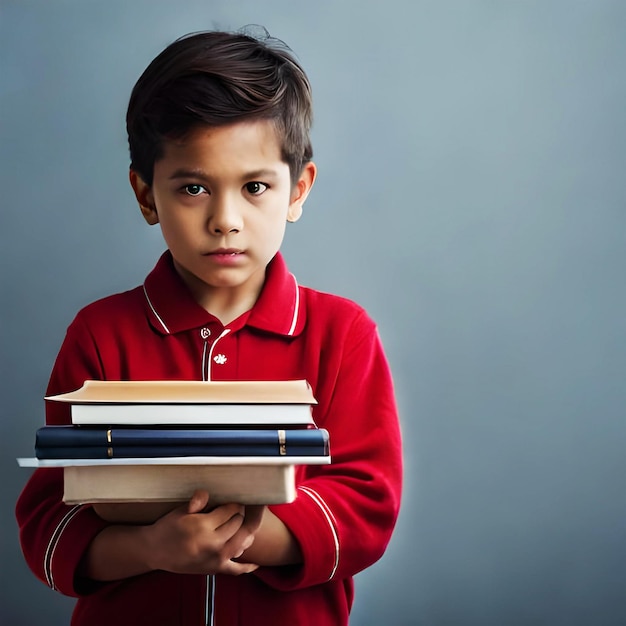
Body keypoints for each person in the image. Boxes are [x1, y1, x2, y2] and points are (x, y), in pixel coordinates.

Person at [16, 28, 403, 626]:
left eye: (255, 188)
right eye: (193, 188)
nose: (225, 221)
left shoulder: (341, 334)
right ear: (146, 195)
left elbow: (367, 505)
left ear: (297, 191)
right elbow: (47, 522)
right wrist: (153, 549)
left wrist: (237, 539)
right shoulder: (100, 334)